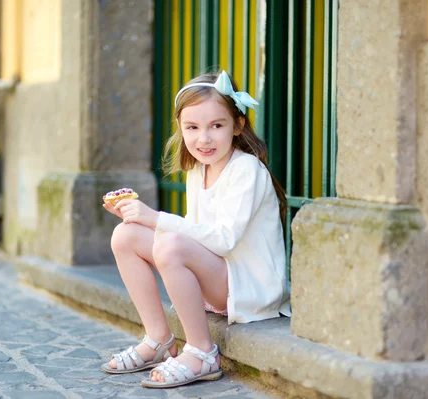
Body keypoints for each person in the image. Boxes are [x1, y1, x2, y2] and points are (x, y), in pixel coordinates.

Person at [101, 70, 291, 389]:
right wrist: (137, 218)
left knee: (170, 245)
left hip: (248, 284)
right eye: (192, 127)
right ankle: (160, 339)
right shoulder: (198, 170)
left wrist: (156, 218)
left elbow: (224, 240)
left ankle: (202, 353)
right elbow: (195, 232)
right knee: (126, 235)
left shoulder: (247, 170)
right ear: (181, 128)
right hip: (218, 275)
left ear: (238, 125)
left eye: (216, 126)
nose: (203, 139)